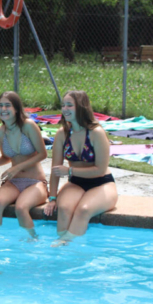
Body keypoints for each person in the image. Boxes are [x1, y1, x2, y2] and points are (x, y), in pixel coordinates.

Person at [43, 91, 118, 246]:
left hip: (101, 183)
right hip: (76, 183)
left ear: (81, 107)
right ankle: (63, 245)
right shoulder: (62, 134)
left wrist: (69, 171)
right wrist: (52, 198)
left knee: (83, 210)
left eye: (69, 105)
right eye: (63, 105)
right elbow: (55, 170)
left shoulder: (96, 133)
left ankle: (66, 243)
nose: (65, 109)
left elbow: (100, 169)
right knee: (64, 209)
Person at [0, 92, 48, 238]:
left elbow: (42, 154)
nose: (3, 109)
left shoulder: (28, 126)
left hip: (35, 182)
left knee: (21, 207)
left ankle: (33, 239)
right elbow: (6, 157)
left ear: (16, 108)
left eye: (7, 105)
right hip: (14, 182)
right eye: (0, 105)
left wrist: (16, 168)